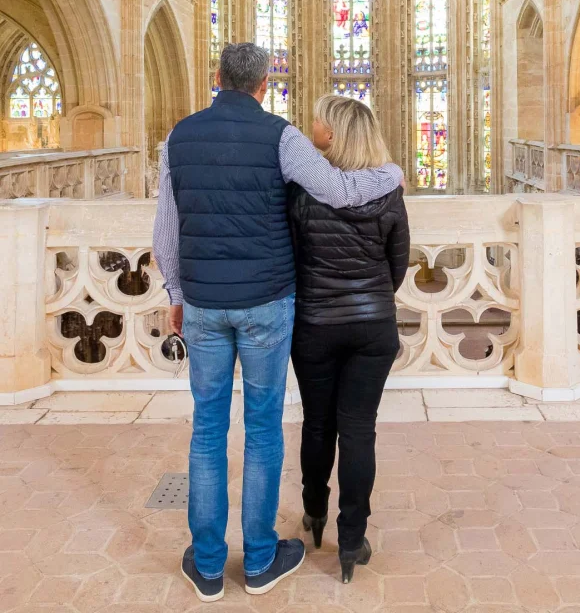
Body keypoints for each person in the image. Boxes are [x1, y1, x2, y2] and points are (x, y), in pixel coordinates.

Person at [152, 43, 404, 602]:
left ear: (216, 77)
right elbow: (339, 190)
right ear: (265, 84)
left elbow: (166, 233)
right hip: (268, 302)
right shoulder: (283, 136)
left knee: (207, 432)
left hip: (202, 304)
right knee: (264, 430)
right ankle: (262, 560)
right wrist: (392, 174)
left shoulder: (178, 138)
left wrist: (175, 293)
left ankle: (210, 566)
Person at [289, 94, 410, 584]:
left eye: (318, 120)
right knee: (359, 429)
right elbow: (397, 262)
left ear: (333, 135)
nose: (311, 125)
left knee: (318, 424)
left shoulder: (302, 192)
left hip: (315, 324)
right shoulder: (390, 191)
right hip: (373, 328)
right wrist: (372, 299)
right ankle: (352, 540)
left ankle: (314, 513)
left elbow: (293, 257)